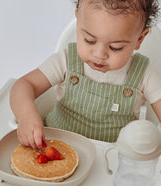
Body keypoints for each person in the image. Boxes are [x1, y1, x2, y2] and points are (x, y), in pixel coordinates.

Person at [10, 0, 161, 149]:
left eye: (115, 47)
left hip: (111, 161)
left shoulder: (145, 75)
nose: (99, 54)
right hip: (53, 146)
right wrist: (26, 116)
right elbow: (23, 85)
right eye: (89, 41)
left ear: (139, 39)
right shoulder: (66, 61)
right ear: (78, 24)